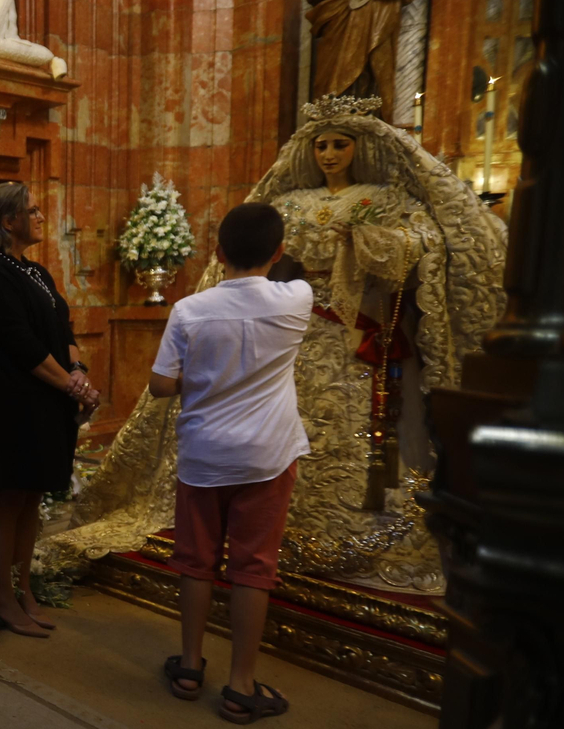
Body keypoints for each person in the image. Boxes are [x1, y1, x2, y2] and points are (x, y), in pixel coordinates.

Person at [43, 96, 507, 594]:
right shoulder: (288, 207)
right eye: (321, 145)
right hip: (290, 332)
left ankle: (343, 528)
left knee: (340, 432)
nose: (328, 154)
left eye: (339, 144)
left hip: (353, 338)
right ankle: (261, 544)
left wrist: (377, 242)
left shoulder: (385, 197)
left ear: (362, 147)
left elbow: (424, 242)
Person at [150, 204, 311, 724]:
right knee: (253, 567)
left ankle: (191, 666)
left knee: (197, 561)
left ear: (217, 254)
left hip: (204, 454)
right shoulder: (296, 299)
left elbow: (160, 386)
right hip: (267, 454)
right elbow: (294, 274)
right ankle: (241, 684)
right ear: (278, 250)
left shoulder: (189, 311)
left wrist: (196, 377)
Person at [0, 182, 98, 638]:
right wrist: (72, 386)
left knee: (32, 498)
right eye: (33, 211)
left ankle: (24, 589)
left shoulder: (38, 271)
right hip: (7, 404)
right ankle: (3, 598)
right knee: (7, 501)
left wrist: (77, 370)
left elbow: (63, 329)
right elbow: (21, 344)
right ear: (8, 221)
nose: (41, 217)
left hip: (43, 402)